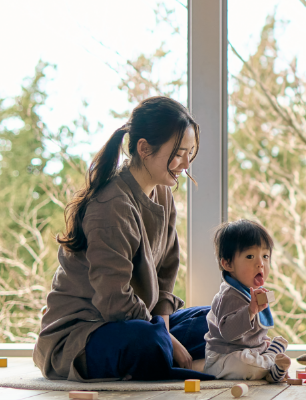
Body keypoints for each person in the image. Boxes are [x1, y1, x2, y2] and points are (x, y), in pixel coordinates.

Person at [33, 96, 213, 382]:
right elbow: (114, 300)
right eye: (179, 153)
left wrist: (165, 330)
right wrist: (163, 338)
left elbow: (166, 270)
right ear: (144, 148)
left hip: (137, 320)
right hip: (83, 333)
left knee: (218, 318)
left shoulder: (164, 194)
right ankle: (189, 363)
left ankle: (173, 358)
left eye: (190, 153)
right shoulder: (112, 204)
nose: (185, 163)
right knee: (147, 342)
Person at [203, 220, 291, 382]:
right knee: (244, 364)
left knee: (255, 356)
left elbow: (255, 333)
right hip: (224, 356)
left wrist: (262, 341)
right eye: (250, 256)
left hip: (252, 351)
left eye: (265, 256)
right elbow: (229, 333)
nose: (260, 264)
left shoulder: (253, 293)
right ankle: (272, 362)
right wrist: (250, 311)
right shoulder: (229, 295)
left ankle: (270, 362)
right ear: (227, 264)